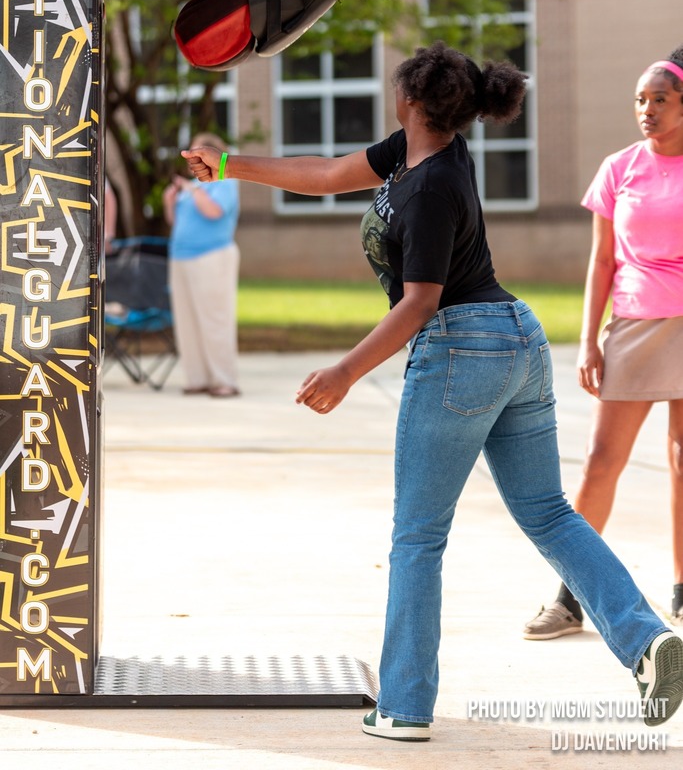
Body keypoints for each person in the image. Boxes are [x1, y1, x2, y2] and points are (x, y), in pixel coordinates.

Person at [182, 41, 683, 741]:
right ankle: (646, 640)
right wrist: (231, 166)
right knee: (546, 512)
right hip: (517, 339)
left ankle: (404, 706)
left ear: (411, 101)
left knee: (417, 535)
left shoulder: (429, 186)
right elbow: (325, 173)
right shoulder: (418, 152)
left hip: (461, 347)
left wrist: (343, 372)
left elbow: (420, 302)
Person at [524, 47, 683, 641]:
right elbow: (602, 260)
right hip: (635, 326)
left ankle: (682, 590)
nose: (646, 110)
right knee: (599, 462)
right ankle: (571, 596)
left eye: (659, 100)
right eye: (640, 100)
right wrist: (588, 340)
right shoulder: (619, 168)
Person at [163, 131, 240, 397]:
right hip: (181, 257)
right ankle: (197, 379)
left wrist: (191, 189)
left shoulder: (224, 180)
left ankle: (224, 380)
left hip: (212, 256)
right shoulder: (192, 185)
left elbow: (214, 211)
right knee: (187, 321)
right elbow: (175, 221)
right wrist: (170, 200)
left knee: (214, 319)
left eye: (199, 152)